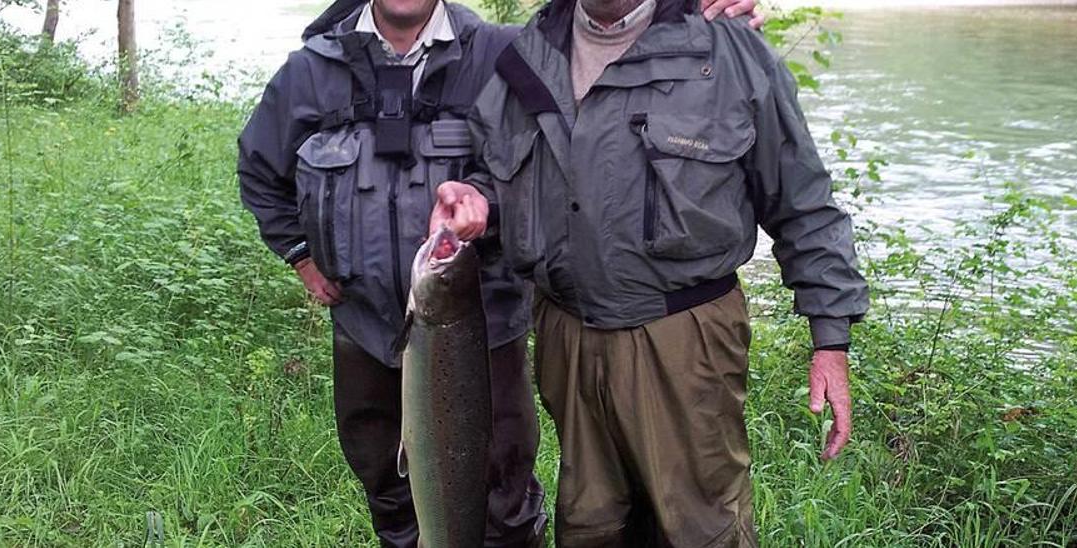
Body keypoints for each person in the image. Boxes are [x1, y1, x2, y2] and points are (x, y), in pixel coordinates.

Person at [236, 0, 762, 546]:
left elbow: (608, 56)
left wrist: (689, 12)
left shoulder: (504, 52)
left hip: (482, 325)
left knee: (501, 493)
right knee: (390, 492)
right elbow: (258, 167)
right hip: (364, 327)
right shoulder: (312, 67)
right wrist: (299, 253)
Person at [430, 0, 871, 545]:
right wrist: (475, 200)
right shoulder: (530, 52)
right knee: (591, 524)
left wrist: (830, 338)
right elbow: (500, 178)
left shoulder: (726, 49)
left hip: (684, 337)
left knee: (701, 528)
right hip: (567, 337)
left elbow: (803, 203)